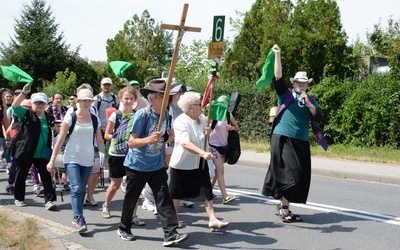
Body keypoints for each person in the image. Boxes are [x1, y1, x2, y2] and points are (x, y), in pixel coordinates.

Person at [117, 79, 188, 246]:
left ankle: (170, 233)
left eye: (168, 97)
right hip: (137, 165)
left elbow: (167, 137)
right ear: (151, 99)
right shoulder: (143, 114)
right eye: (162, 97)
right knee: (131, 199)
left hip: (156, 165)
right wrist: (149, 139)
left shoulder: (167, 115)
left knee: (164, 198)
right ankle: (124, 228)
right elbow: (131, 142)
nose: (166, 100)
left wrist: (164, 152)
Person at [261, 44, 325, 223]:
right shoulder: (286, 95)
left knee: (298, 176)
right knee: (290, 174)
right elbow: (277, 77)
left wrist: (309, 104)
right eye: (299, 82)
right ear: (294, 83)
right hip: (283, 138)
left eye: (304, 83)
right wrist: (278, 55)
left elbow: (319, 116)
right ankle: (284, 207)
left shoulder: (310, 100)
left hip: (301, 141)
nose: (301, 85)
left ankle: (284, 203)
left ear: (308, 85)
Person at [168, 91, 229, 232]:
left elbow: (203, 133)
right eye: (198, 104)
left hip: (199, 163)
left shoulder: (201, 118)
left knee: (206, 190)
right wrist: (203, 153)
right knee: (176, 193)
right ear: (190, 108)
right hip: (182, 165)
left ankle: (212, 219)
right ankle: (174, 219)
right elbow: (185, 143)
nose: (201, 106)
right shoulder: (181, 121)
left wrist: (206, 133)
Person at [47, 88, 104, 233]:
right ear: (78, 101)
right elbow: (60, 139)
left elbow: (99, 140)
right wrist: (52, 160)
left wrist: (103, 158)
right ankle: (80, 219)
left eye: (89, 100)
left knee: (81, 190)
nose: (87, 103)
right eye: (84, 100)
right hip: (71, 157)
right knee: (76, 187)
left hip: (88, 159)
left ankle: (76, 216)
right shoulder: (70, 116)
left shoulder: (94, 119)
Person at [8, 87, 57, 210]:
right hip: (26, 151)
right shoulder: (26, 114)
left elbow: (53, 133)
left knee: (46, 176)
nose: (39, 105)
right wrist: (24, 93)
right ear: (32, 104)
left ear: (46, 104)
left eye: (42, 103)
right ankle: (19, 198)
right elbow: (14, 105)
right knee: (21, 175)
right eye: (37, 103)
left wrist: (55, 130)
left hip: (42, 152)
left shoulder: (49, 117)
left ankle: (50, 201)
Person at [102, 86, 144, 226]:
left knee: (134, 186)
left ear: (135, 100)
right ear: (121, 99)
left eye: (131, 98)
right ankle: (106, 206)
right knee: (115, 184)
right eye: (126, 98)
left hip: (133, 154)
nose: (129, 101)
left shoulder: (138, 114)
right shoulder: (116, 115)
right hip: (117, 154)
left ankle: (133, 215)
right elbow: (106, 134)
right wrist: (117, 136)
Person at [209, 95, 239, 204]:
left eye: (223, 104)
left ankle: (208, 191)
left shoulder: (228, 115)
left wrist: (232, 128)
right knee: (221, 170)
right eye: (219, 103)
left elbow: (236, 126)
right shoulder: (212, 115)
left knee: (218, 171)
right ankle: (225, 196)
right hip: (213, 146)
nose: (221, 106)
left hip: (224, 146)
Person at [46, 92, 69, 191]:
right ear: (53, 99)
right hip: (53, 135)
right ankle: (52, 180)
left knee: (64, 156)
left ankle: (64, 181)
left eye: (60, 98)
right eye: (57, 98)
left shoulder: (66, 109)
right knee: (53, 157)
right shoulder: (49, 110)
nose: (59, 100)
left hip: (65, 135)